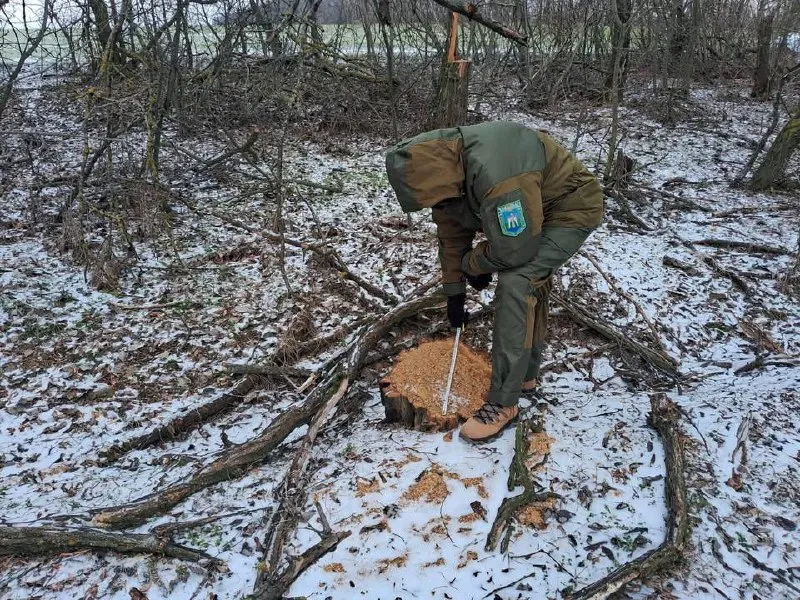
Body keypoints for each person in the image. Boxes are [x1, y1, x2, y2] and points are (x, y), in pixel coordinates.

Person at [385, 121, 604, 443]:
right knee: (531, 282)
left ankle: (503, 402)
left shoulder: (497, 175)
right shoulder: (443, 171)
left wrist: (477, 263)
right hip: (533, 212)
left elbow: (515, 249)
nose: (438, 207)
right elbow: (451, 232)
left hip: (568, 209)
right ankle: (524, 376)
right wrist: (454, 292)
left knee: (519, 281)